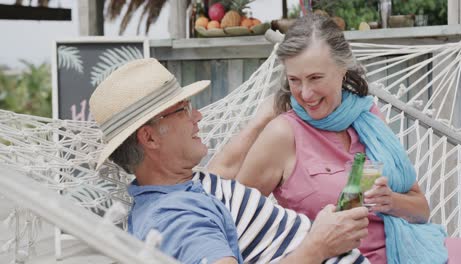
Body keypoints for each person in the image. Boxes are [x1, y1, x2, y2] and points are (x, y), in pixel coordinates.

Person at [208, 14, 448, 264]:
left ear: (342, 69)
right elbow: (233, 221)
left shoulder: (368, 118)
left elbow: (422, 210)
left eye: (315, 78)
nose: (305, 93)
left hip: (406, 253)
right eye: (294, 80)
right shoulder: (282, 134)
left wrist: (391, 202)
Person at [89, 58, 370, 264]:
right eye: (183, 109)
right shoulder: (178, 218)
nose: (197, 116)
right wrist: (319, 246)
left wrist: (261, 119)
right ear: (150, 139)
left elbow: (220, 174)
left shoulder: (176, 187)